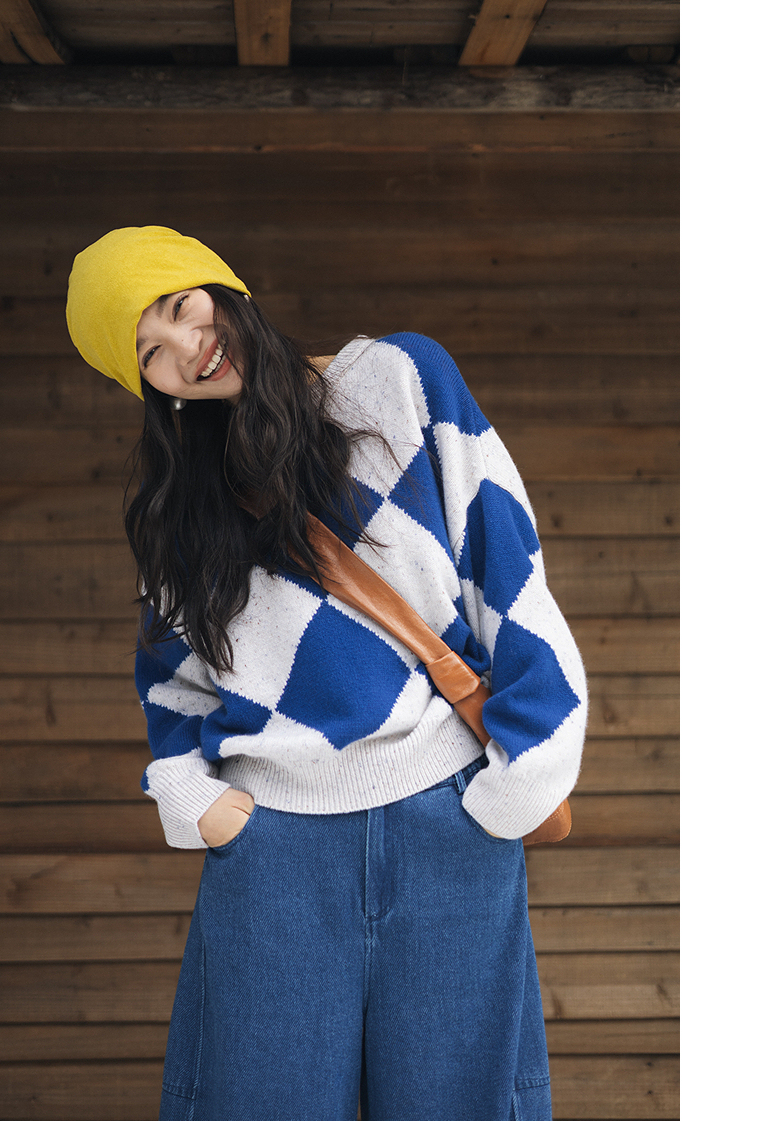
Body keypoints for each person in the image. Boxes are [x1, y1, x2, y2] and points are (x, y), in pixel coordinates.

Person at [66, 225, 587, 1121]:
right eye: (149, 352)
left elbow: (508, 570)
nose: (187, 347)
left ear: (221, 285)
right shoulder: (182, 511)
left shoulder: (402, 378)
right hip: (274, 852)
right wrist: (197, 799)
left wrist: (518, 779)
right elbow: (171, 684)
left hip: (449, 823)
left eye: (182, 307)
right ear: (146, 386)